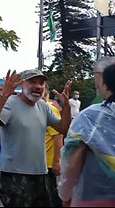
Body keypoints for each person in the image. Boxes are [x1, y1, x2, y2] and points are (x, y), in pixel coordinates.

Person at [0, 69, 72, 207]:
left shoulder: (43, 106)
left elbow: (63, 129)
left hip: (41, 174)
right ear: (21, 84)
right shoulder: (10, 103)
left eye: (41, 83)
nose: (38, 86)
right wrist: (3, 96)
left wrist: (66, 107)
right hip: (15, 176)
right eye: (32, 82)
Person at [59, 64, 115, 207]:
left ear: (104, 84)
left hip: (94, 198)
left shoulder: (90, 117)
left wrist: (65, 194)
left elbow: (71, 161)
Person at [43, 88, 63, 207]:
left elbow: (58, 135)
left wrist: (57, 161)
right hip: (36, 163)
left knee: (50, 198)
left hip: (48, 163)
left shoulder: (49, 109)